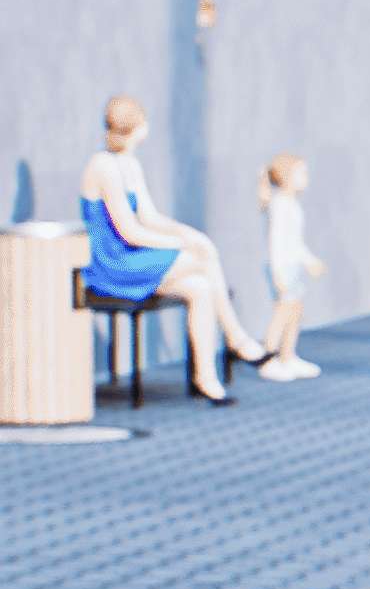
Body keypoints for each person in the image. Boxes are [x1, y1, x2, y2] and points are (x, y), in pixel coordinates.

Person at [78, 94, 265, 404]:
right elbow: (129, 232)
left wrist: (189, 235)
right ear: (139, 125)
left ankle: (207, 378)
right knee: (202, 259)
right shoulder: (103, 166)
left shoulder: (129, 164)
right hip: (114, 263)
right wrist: (182, 245)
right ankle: (236, 338)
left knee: (200, 286)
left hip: (134, 257)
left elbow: (150, 217)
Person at [256, 155, 326, 381]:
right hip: (282, 268)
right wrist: (277, 271)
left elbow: (295, 242)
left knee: (295, 310)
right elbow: (276, 241)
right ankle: (267, 359)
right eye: (301, 173)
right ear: (287, 177)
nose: (306, 178)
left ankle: (288, 356)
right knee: (282, 312)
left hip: (292, 266)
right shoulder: (279, 205)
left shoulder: (291, 204)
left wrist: (309, 260)